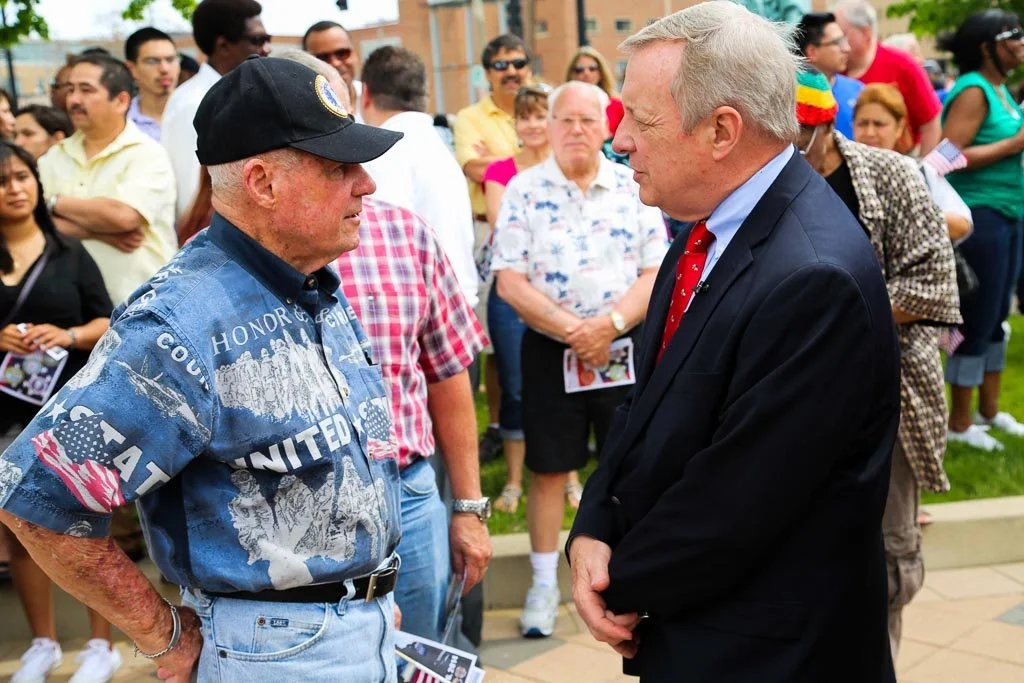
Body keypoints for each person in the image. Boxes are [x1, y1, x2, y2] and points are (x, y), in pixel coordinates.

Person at [0, 55, 406, 682]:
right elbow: (36, 497)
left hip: (352, 630)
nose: (366, 184)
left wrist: (367, 596)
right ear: (263, 182)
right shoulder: (180, 324)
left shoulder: (306, 280)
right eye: (337, 168)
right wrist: (162, 636)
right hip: (277, 653)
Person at [568, 4, 901, 681]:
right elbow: (651, 403)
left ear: (723, 129)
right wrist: (593, 525)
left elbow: (738, 502)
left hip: (769, 653)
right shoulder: (705, 227)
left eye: (640, 118)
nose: (619, 140)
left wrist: (614, 582)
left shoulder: (813, 277)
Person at [491, 81, 668, 639]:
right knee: (548, 469)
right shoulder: (524, 190)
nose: (574, 131)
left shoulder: (630, 184)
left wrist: (609, 326)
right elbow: (510, 281)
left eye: (586, 121)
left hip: (622, 346)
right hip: (552, 349)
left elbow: (655, 269)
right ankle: (544, 585)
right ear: (548, 123)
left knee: (633, 466)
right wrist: (575, 331)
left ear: (605, 126)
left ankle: (636, 581)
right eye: (564, 120)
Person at [797, 69, 960, 660]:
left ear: (822, 125)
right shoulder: (758, 183)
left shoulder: (890, 174)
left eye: (799, 134)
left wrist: (840, 315)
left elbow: (934, 284)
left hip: (884, 394)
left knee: (889, 554)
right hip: (793, 403)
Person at [0, 141, 117, 683]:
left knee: (85, 523)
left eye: (23, 176)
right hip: (5, 415)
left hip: (68, 410)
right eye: (3, 180)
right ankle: (43, 642)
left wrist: (66, 335)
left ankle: (101, 642)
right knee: (20, 529)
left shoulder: (69, 250)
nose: (16, 188)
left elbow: (107, 320)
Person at [939, 10, 1024, 452]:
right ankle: (959, 421)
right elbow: (946, 156)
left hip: (1009, 213)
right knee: (978, 317)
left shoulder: (1000, 91)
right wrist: (1015, 143)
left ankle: (989, 414)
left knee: (997, 319)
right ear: (986, 46)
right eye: (1012, 35)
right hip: (982, 215)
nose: (1021, 42)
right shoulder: (973, 90)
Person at [38, 54, 177, 308]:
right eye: (70, 90)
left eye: (86, 90)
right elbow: (32, 225)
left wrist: (52, 202)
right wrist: (96, 232)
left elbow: (124, 217)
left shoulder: (146, 154)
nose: (74, 100)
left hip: (141, 310)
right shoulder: (53, 158)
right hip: (73, 315)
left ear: (121, 100)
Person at [454, 33, 534, 463]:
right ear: (486, 73)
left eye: (518, 62)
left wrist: (500, 166)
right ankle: (500, 426)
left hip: (543, 234)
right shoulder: (469, 117)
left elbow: (492, 170)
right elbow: (472, 166)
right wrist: (532, 158)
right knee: (494, 338)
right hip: (488, 234)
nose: (511, 71)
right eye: (500, 65)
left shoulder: (544, 104)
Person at [359, 45, 479, 312]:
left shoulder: (384, 155)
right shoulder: (436, 146)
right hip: (455, 305)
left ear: (365, 94)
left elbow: (388, 249)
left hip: (425, 314)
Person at [481, 85, 550, 516]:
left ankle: (563, 477)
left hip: (560, 292)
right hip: (511, 291)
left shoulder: (565, 168)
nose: (533, 124)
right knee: (516, 387)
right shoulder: (500, 171)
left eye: (541, 115)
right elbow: (502, 228)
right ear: (516, 124)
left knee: (561, 385)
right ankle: (512, 480)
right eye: (524, 117)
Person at [161, 0, 270, 218]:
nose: (266, 49)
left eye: (267, 39)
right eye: (257, 40)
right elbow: (193, 200)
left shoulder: (236, 94)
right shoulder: (195, 103)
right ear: (224, 46)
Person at [853, 83, 973, 242]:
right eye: (862, 123)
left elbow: (962, 225)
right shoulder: (841, 171)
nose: (869, 132)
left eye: (879, 124)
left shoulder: (918, 171)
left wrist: (906, 218)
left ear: (899, 128)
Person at [834, 0, 942, 153]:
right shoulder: (832, 70)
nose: (840, 45)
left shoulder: (902, 65)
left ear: (866, 33)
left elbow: (931, 122)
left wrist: (924, 170)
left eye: (843, 36)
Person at [795, 12, 864, 138]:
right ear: (812, 52)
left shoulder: (858, 90)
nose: (847, 48)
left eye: (845, 41)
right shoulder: (792, 96)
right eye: (838, 42)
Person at [124, 27, 181, 141]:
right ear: (131, 68)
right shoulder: (122, 123)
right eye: (152, 61)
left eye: (170, 59)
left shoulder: (197, 111)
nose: (164, 69)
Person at [303, 21, 362, 119]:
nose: (335, 63)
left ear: (354, 53)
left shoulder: (378, 98)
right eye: (322, 57)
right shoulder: (305, 111)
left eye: (342, 53)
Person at [565, 46, 624, 136]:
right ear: (572, 74)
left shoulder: (618, 105)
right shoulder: (564, 106)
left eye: (592, 68)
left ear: (601, 72)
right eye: (579, 70)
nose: (586, 73)